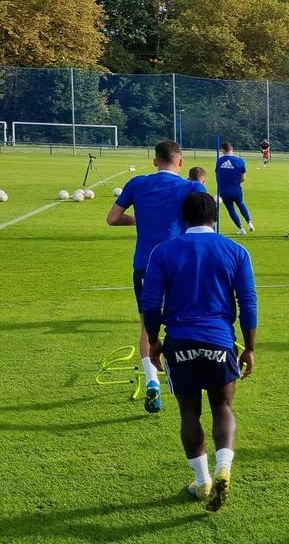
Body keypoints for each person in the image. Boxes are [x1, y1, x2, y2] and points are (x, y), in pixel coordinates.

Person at [141, 192, 257, 512]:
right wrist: (248, 347)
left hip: (180, 341)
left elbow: (151, 303)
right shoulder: (236, 251)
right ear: (214, 218)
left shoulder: (163, 252)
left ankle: (203, 481)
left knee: (189, 412)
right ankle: (225, 468)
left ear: (183, 218)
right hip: (220, 340)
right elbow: (247, 304)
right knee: (223, 406)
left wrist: (153, 340)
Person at [105, 140, 208, 414]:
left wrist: (138, 220)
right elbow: (205, 225)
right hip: (183, 265)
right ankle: (190, 379)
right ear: (181, 162)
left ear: (155, 161)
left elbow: (112, 218)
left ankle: (153, 383)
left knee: (148, 328)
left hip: (146, 266)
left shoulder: (137, 184)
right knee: (186, 320)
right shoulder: (194, 187)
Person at [216, 142, 254, 236]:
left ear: (223, 150)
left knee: (231, 209)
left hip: (224, 189)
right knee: (241, 204)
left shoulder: (219, 161)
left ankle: (241, 229)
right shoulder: (240, 161)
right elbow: (243, 178)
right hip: (236, 188)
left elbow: (217, 177)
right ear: (232, 149)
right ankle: (249, 223)